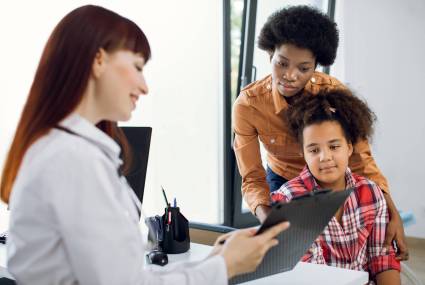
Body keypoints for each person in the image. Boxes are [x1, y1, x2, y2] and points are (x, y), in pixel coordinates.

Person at [0, 5, 289, 285]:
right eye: (137, 67)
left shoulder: (60, 148)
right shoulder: (74, 159)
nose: (144, 86)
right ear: (98, 60)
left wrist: (214, 261)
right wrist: (223, 267)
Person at [232, 5, 408, 260]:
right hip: (284, 182)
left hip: (333, 180)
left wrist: (393, 213)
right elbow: (251, 176)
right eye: (282, 63)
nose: (290, 76)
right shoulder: (248, 105)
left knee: (350, 250)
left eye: (303, 68)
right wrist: (267, 219)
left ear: (316, 65)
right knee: (290, 256)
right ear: (270, 54)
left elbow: (362, 160)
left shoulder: (333, 94)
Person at [271, 89, 401, 285]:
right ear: (302, 153)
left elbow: (381, 259)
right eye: (314, 150)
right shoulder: (289, 201)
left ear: (349, 147)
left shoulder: (371, 192)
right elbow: (307, 274)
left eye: (334, 146)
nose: (325, 157)